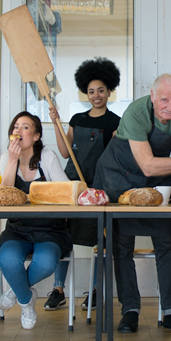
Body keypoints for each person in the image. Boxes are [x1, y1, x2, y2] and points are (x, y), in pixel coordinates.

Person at [93, 73, 171, 334]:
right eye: (164, 100)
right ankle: (130, 311)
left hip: (157, 177)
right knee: (122, 246)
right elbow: (149, 165)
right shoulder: (136, 112)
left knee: (166, 243)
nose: (170, 107)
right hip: (119, 174)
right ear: (152, 96)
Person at [47, 57, 121, 312]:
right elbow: (64, 152)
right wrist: (56, 124)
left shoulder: (115, 122)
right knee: (63, 237)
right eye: (91, 91)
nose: (96, 95)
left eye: (101, 90)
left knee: (100, 241)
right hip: (72, 187)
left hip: (98, 189)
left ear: (109, 91)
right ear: (85, 93)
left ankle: (96, 290)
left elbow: (114, 158)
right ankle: (58, 290)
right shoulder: (76, 119)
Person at [0, 112, 73, 330]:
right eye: (15, 127)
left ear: (36, 135)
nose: (18, 131)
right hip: (18, 228)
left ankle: (17, 291)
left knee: (47, 262)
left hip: (50, 229)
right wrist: (12, 160)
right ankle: (26, 301)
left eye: (25, 127)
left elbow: (65, 191)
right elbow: (4, 195)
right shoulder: (6, 158)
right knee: (8, 260)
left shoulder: (47, 157)